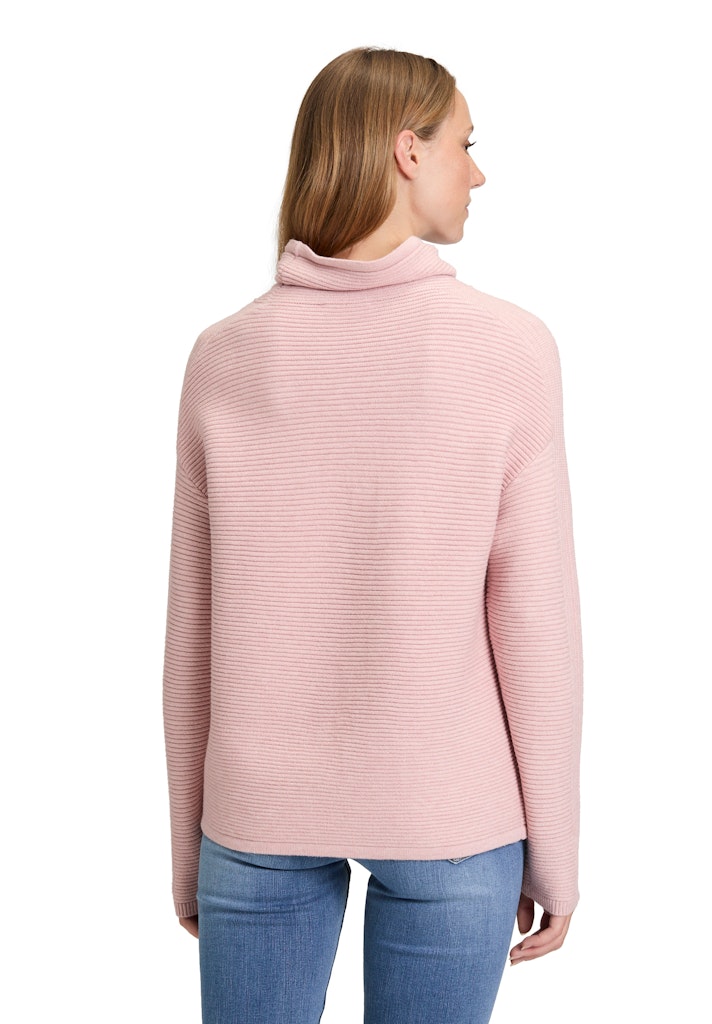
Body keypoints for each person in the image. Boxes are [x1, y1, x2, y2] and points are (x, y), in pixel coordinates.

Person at [162, 45, 583, 1024]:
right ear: (406, 151)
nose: (476, 173)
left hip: (256, 812)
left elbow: (194, 628)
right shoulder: (510, 348)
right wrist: (555, 847)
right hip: (450, 809)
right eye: (464, 144)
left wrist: (191, 843)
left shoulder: (223, 356)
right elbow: (535, 624)